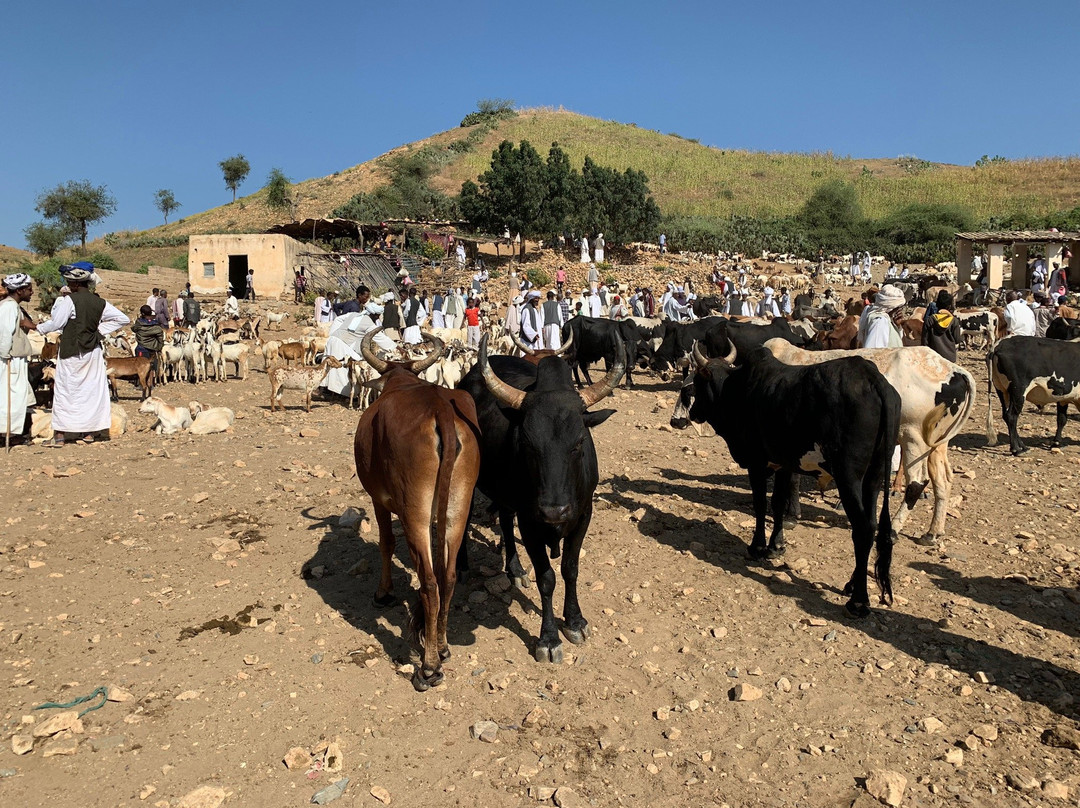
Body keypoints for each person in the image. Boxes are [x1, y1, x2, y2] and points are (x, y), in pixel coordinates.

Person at [36, 263, 129, 446]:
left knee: (65, 391)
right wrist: (99, 333)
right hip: (92, 352)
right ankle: (88, 433)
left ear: (75, 284)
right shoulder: (99, 301)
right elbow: (122, 319)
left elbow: (56, 324)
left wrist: (37, 327)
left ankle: (60, 435)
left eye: (69, 282)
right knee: (90, 391)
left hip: (71, 352)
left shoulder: (70, 300)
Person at [0, 274, 36, 445]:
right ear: (20, 290)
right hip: (10, 359)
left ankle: (11, 431)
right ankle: (7, 433)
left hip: (13, 357)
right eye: (29, 289)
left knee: (17, 396)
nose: (32, 292)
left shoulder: (13, 306)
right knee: (11, 396)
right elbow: (5, 333)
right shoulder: (8, 307)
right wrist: (6, 354)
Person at [921, 290, 962, 362]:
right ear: (950, 306)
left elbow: (924, 341)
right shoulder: (954, 321)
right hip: (949, 358)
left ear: (937, 305)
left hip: (933, 357)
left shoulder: (930, 320)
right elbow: (957, 339)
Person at [132, 304, 164, 382]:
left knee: (140, 366)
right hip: (153, 349)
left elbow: (134, 329)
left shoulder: (139, 323)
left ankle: (141, 384)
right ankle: (150, 383)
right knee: (151, 367)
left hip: (141, 349)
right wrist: (159, 347)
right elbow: (160, 337)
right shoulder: (156, 324)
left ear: (142, 313)